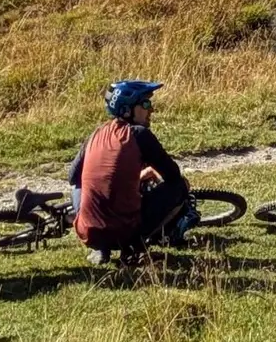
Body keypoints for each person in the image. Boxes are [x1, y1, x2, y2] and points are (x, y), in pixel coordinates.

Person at [69, 81, 196, 260]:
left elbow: (73, 177)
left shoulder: (96, 134)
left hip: (89, 235)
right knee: (179, 185)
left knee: (77, 186)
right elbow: (172, 175)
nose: (151, 109)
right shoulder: (139, 134)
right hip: (124, 233)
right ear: (127, 110)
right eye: (145, 104)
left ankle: (100, 246)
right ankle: (135, 244)